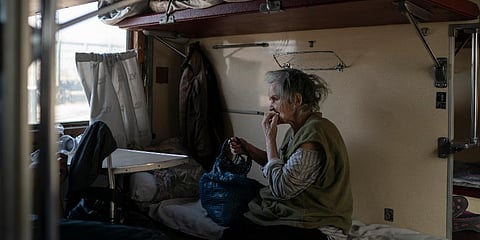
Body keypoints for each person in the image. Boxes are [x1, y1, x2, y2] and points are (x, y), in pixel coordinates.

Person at [222, 68, 353, 240]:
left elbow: (282, 189)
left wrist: (270, 139)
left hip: (317, 223)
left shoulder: (314, 133)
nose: (270, 106)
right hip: (297, 214)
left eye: (274, 99)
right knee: (234, 230)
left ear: (296, 100)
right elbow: (282, 167)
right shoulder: (297, 130)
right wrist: (250, 150)